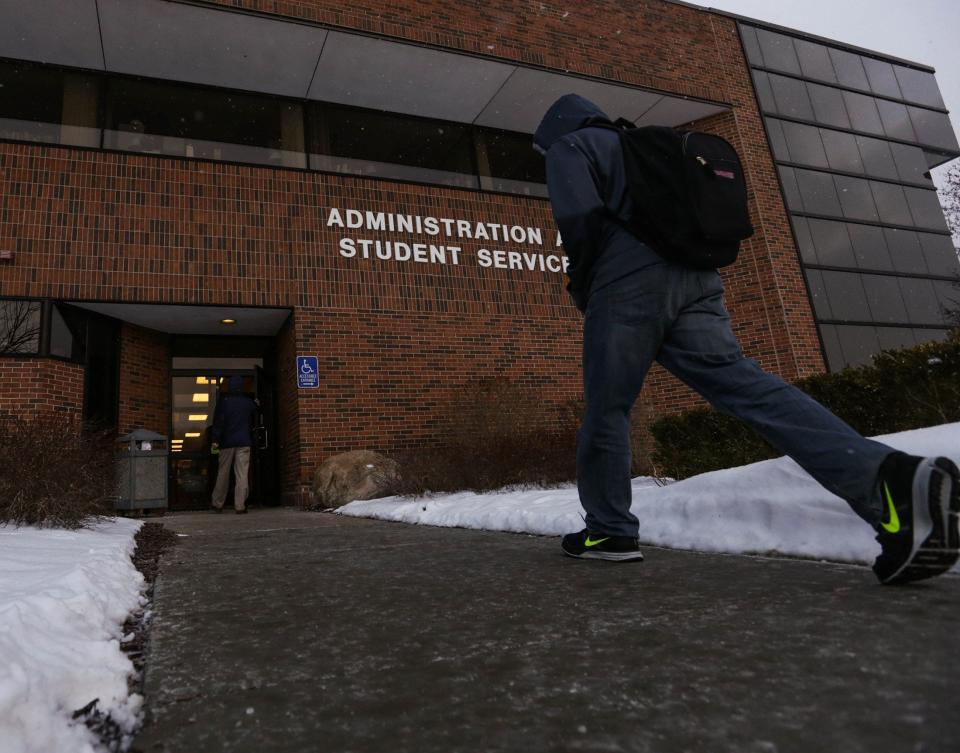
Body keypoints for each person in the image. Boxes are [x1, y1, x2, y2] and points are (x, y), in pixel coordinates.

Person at [533, 94, 959, 584]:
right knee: (746, 387)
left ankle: (608, 531)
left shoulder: (572, 146)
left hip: (628, 279)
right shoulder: (641, 145)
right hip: (697, 275)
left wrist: (585, 285)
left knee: (608, 407)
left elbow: (580, 220)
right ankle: (890, 481)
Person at [210, 375, 258, 514]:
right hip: (244, 442)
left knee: (223, 473)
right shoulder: (248, 402)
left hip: (226, 443)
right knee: (242, 474)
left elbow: (218, 422)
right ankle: (240, 505)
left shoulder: (224, 402)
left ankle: (218, 503)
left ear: (230, 386)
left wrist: (215, 439)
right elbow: (257, 411)